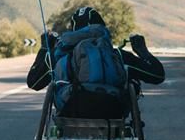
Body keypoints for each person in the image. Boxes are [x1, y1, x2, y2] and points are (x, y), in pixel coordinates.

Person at [26, 6, 165, 117]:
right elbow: (157, 76)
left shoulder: (61, 56)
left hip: (72, 109)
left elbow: (34, 82)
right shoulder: (118, 56)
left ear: (74, 31)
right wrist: (142, 51)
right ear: (103, 29)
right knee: (131, 83)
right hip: (114, 110)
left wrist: (45, 48)